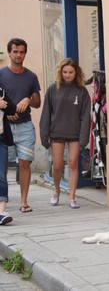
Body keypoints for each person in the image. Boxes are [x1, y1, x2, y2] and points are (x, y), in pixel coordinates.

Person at [39, 58, 91, 209]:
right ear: (60, 72)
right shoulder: (52, 89)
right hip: (57, 133)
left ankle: (72, 198)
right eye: (65, 72)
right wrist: (44, 135)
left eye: (71, 72)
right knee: (57, 166)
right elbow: (46, 114)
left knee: (73, 163)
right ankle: (56, 191)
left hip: (74, 133)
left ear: (76, 73)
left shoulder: (82, 92)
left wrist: (83, 138)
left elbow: (85, 116)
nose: (67, 75)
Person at [0, 38, 41, 213]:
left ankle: (24, 202)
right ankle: (3, 204)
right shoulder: (1, 74)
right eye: (15, 51)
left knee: (24, 163)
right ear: (9, 53)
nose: (19, 55)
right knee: (3, 166)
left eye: (22, 52)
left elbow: (37, 103)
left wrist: (27, 99)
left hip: (25, 126)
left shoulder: (31, 76)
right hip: (4, 127)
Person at [0, 87, 17, 225]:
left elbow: (12, 109)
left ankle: (1, 212)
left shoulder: (1, 91)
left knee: (1, 175)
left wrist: (4, 104)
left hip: (1, 139)